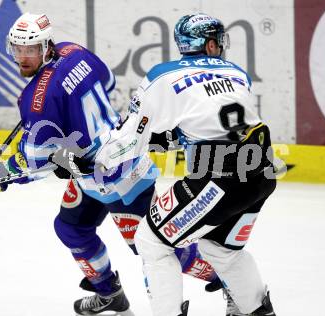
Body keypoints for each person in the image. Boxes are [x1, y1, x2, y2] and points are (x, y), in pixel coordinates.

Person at [0, 12, 222, 316]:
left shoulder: (35, 101)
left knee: (159, 249)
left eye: (29, 49)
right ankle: (109, 293)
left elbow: (33, 164)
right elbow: (106, 82)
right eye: (17, 49)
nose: (22, 57)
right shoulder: (73, 50)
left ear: (45, 46)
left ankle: (225, 276)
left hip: (122, 177)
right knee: (71, 228)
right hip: (94, 170)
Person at [59, 13, 277, 316]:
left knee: (151, 242)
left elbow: (129, 142)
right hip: (262, 170)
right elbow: (202, 125)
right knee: (221, 250)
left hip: (219, 176)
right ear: (211, 44)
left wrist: (88, 160)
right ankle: (257, 311)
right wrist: (163, 137)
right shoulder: (237, 73)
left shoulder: (162, 76)